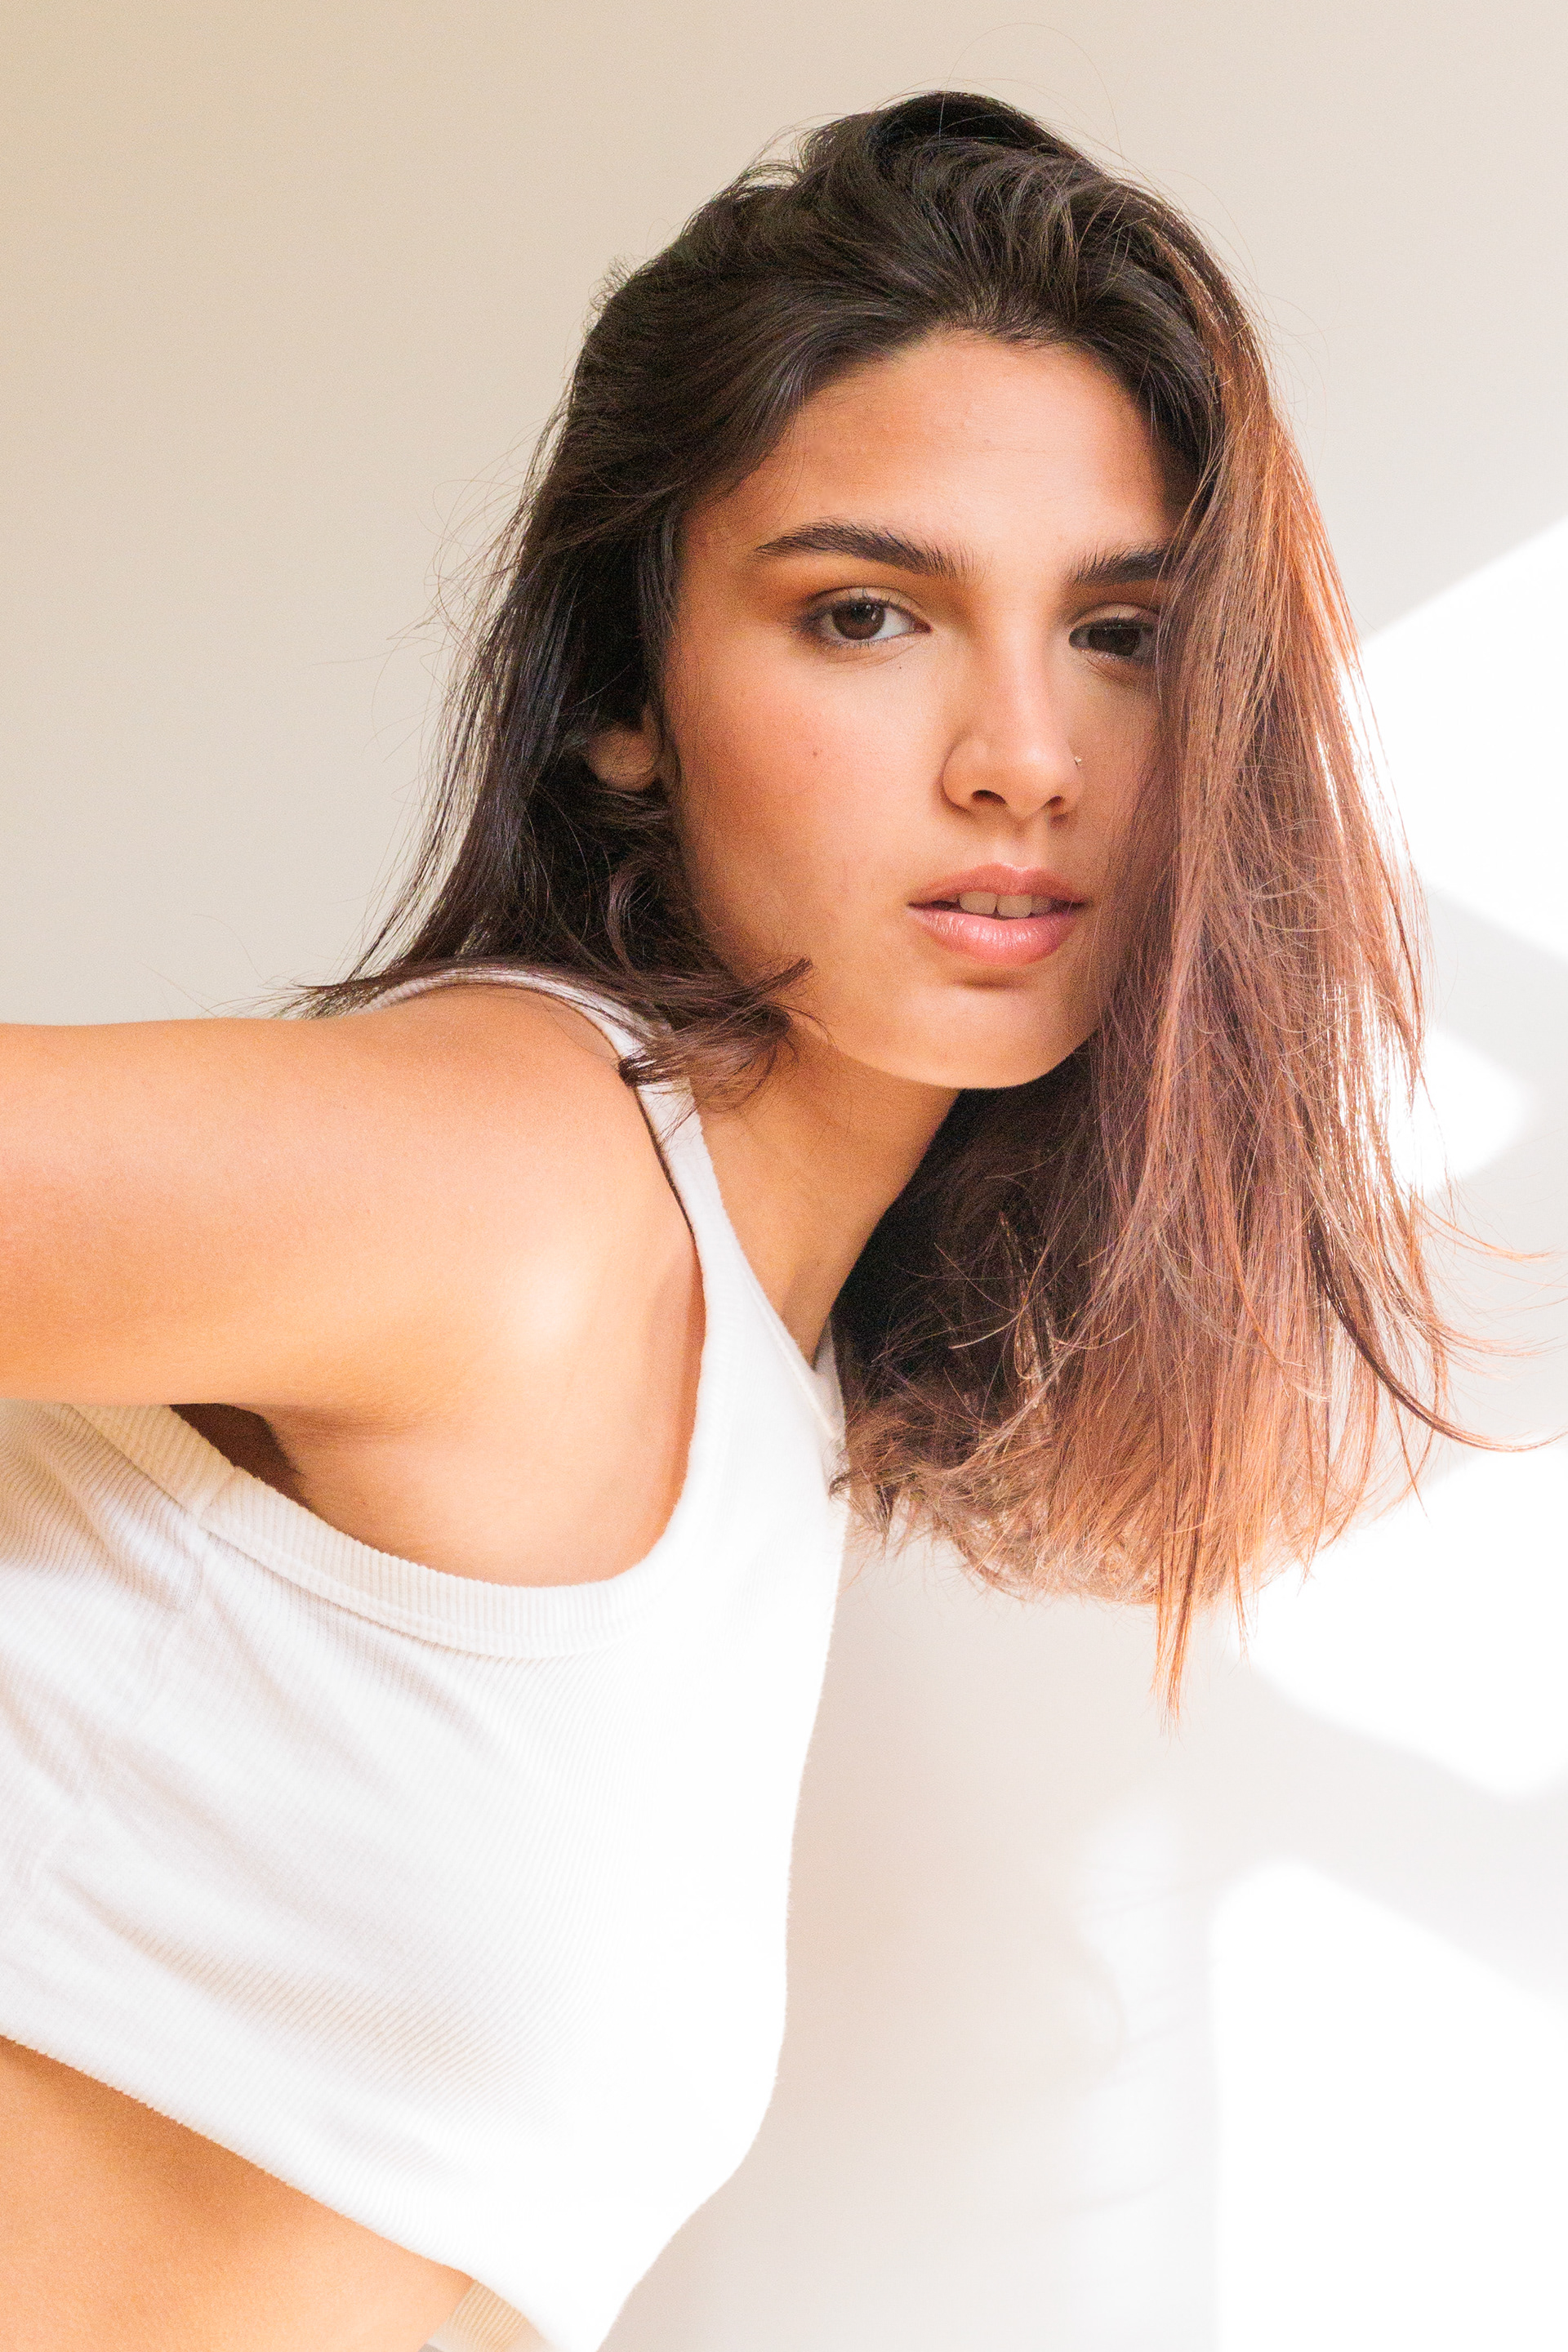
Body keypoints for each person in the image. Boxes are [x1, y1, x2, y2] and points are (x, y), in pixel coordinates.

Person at [0, 90, 1464, 2352]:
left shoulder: (750, 1366)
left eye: (1122, 634)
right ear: (624, 705)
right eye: (866, 614)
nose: (1023, 756)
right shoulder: (516, 1180)